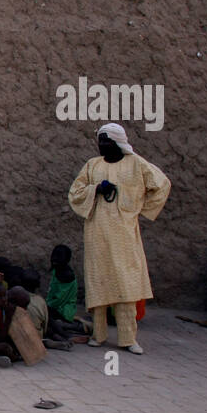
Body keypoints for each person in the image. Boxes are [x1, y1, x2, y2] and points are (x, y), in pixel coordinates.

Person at [68, 122, 171, 354]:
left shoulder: (136, 164)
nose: (101, 146)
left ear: (117, 143)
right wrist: (96, 189)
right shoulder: (92, 165)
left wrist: (139, 209)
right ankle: (99, 335)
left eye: (106, 142)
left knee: (126, 285)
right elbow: (75, 192)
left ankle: (128, 338)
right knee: (99, 282)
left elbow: (161, 184)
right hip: (97, 233)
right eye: (100, 142)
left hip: (124, 235)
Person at [20, 270, 73, 350]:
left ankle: (45, 341)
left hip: (21, 333)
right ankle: (49, 340)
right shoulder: (40, 301)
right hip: (37, 333)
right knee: (47, 325)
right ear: (38, 284)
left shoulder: (15, 297)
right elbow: (45, 324)